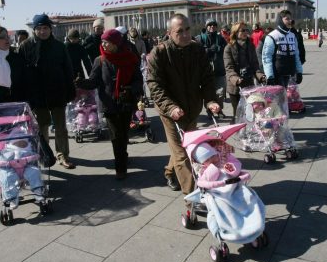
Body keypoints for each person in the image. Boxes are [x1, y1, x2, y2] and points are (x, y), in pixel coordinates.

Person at [147, 13, 220, 194]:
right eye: (180, 31)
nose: (186, 34)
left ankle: (169, 172)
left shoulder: (197, 50)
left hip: (192, 108)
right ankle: (193, 195)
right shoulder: (160, 52)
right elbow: (154, 84)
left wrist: (210, 100)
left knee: (184, 144)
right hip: (170, 110)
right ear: (169, 33)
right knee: (182, 152)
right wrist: (170, 107)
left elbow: (207, 78)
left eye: (188, 29)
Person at [75, 29, 143, 179]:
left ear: (116, 43)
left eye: (107, 42)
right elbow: (93, 82)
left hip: (126, 103)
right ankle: (121, 168)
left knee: (124, 134)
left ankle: (122, 156)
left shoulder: (130, 58)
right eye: (102, 42)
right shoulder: (100, 60)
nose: (104, 45)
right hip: (109, 104)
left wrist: (131, 89)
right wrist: (81, 83)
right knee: (115, 136)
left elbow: (139, 80)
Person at [19, 14, 76, 169]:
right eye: (39, 28)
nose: (42, 32)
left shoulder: (59, 46)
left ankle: (63, 155)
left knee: (61, 127)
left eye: (45, 28)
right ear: (34, 29)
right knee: (41, 127)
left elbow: (68, 70)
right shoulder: (26, 46)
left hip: (57, 92)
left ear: (50, 29)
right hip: (37, 96)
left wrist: (70, 90)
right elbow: (21, 74)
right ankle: (44, 154)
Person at [224, 22, 265, 122]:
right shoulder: (229, 48)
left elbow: (255, 64)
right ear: (235, 32)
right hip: (235, 85)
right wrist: (236, 79)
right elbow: (229, 68)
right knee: (238, 112)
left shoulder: (250, 46)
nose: (245, 32)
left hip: (248, 84)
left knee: (250, 110)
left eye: (247, 30)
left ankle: (248, 132)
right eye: (242, 30)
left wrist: (261, 76)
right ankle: (238, 131)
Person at [0, 129, 44, 209]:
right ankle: (12, 198)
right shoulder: (7, 152)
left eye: (22, 143)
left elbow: (36, 155)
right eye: (17, 143)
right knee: (6, 177)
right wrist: (5, 162)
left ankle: (38, 191)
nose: (20, 145)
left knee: (34, 172)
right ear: (11, 143)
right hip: (11, 169)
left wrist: (31, 157)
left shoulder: (27, 151)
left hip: (26, 167)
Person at [262, 10, 303, 88]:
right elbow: (266, 57)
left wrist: (299, 72)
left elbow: (296, 55)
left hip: (290, 75)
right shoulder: (272, 36)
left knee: (289, 99)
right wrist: (269, 76)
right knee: (279, 100)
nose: (290, 21)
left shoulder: (292, 36)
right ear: (280, 20)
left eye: (290, 19)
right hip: (277, 76)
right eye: (287, 19)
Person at [196, 18, 227, 118]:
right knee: (209, 93)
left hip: (219, 70)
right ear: (206, 27)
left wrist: (220, 48)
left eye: (214, 25)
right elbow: (197, 52)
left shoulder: (221, 38)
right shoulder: (200, 38)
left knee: (221, 93)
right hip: (206, 71)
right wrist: (208, 50)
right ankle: (210, 110)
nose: (212, 27)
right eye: (210, 25)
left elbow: (226, 51)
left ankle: (219, 109)